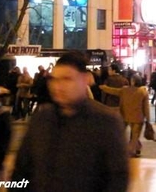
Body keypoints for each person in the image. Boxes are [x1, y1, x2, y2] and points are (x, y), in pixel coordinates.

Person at [12, 51, 129, 192]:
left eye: (67, 79)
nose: (58, 86)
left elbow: (117, 178)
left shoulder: (106, 122)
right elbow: (22, 169)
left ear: (85, 80)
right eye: (54, 79)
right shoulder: (42, 118)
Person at [100, 74, 150, 158]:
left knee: (121, 132)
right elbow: (146, 107)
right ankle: (134, 149)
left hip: (125, 116)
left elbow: (114, 91)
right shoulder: (143, 92)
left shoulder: (125, 90)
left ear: (133, 81)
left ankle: (131, 150)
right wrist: (148, 120)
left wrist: (104, 88)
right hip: (138, 118)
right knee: (135, 136)